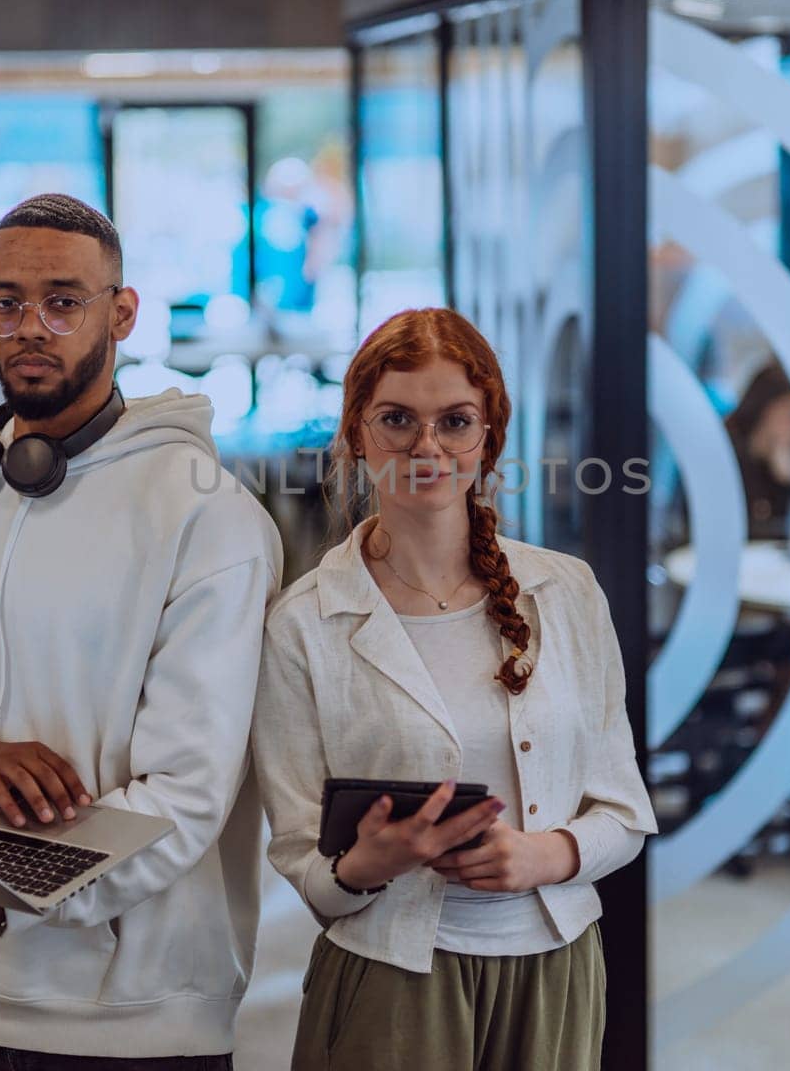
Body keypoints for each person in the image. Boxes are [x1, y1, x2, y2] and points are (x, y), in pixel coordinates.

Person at [0, 194, 283, 1070]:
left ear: (124, 312)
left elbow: (183, 798)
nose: (32, 327)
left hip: (138, 1015)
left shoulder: (206, 516)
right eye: (6, 303)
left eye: (64, 302)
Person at [251, 307, 656, 1071]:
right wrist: (366, 864)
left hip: (556, 970)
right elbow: (306, 864)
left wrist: (546, 856)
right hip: (391, 979)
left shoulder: (566, 594)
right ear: (357, 435)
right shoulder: (303, 624)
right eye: (397, 419)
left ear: (488, 439)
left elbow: (626, 813)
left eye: (455, 422)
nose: (426, 447)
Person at [724, 361, 790, 541]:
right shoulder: (724, 450)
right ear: (764, 408)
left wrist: (783, 482)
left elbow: (777, 529)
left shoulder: (788, 454)